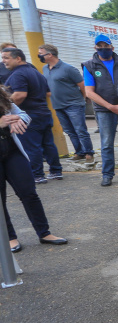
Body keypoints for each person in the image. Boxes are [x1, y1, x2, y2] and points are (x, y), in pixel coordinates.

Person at [0, 87, 67, 252]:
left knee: (29, 192)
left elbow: (23, 114)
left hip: (12, 151)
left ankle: (44, 233)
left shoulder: (2, 96)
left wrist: (18, 120)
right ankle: (10, 238)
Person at [1, 47, 63, 183]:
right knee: (48, 144)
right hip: (43, 113)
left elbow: (20, 95)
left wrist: (5, 105)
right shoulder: (36, 73)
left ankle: (37, 175)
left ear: (18, 58)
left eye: (6, 58)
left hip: (29, 116)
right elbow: (48, 93)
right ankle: (56, 171)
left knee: (32, 146)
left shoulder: (18, 75)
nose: (3, 61)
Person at [83, 33, 118, 187]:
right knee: (106, 143)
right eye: (100, 47)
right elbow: (89, 92)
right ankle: (107, 174)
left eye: (106, 46)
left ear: (112, 47)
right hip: (104, 110)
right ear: (95, 48)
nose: (103, 49)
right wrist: (110, 107)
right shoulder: (90, 66)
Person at [38, 44, 94, 163]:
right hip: (58, 105)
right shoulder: (45, 69)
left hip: (74, 105)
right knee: (69, 131)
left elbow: (82, 85)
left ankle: (89, 152)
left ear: (50, 54)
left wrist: (83, 99)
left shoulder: (68, 68)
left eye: (41, 53)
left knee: (80, 130)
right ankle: (79, 152)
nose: (39, 55)